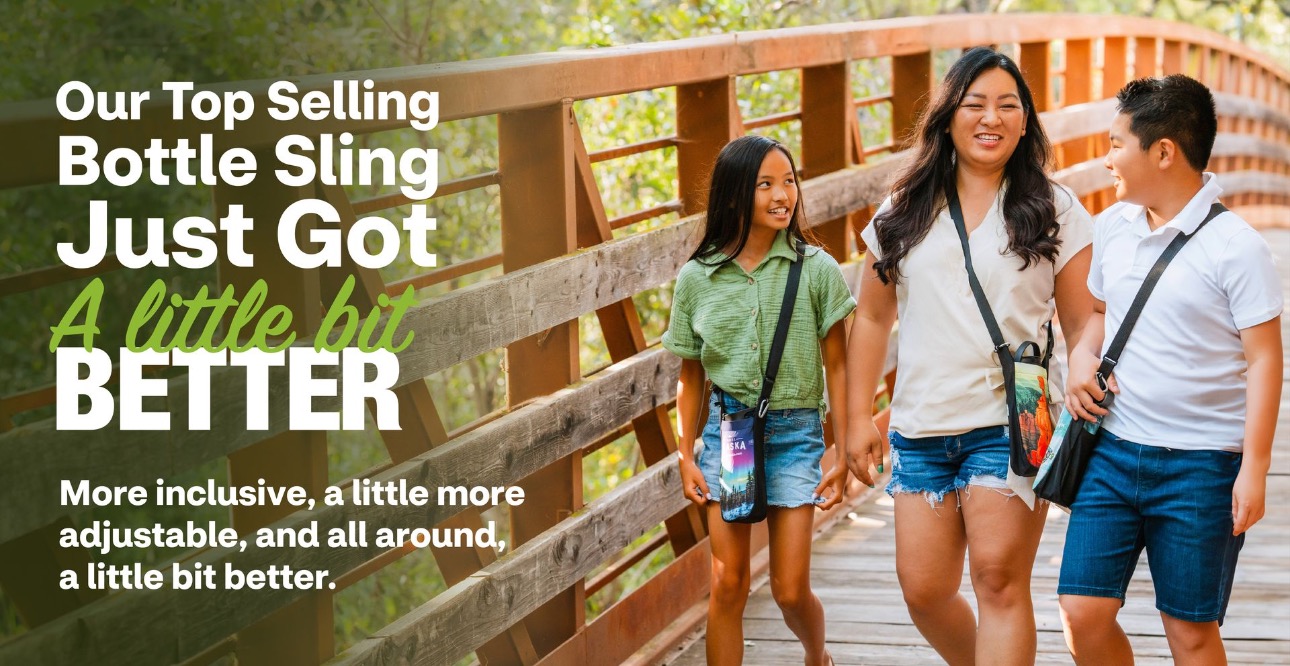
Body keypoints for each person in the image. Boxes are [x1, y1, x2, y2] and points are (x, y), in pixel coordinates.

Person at [845, 46, 1096, 665]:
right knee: (924, 590)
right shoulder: (902, 208)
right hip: (922, 420)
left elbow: (1085, 319)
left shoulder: (1053, 207)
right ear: (948, 115)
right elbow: (873, 316)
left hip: (1019, 418)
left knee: (997, 578)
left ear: (1026, 119)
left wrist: (1086, 374)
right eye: (975, 103)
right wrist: (853, 419)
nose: (992, 118)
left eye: (1008, 106)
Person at [1059, 74, 1284, 666]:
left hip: (1201, 465)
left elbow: (1265, 360)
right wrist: (1080, 359)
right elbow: (1100, 316)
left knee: (1189, 631)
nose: (1104, 158)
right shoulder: (1113, 227)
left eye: (1114, 144)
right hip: (1111, 449)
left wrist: (1253, 470)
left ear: (1162, 151)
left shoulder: (1237, 247)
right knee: (1081, 613)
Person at [664, 134, 856, 666]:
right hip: (730, 438)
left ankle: (817, 657)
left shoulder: (814, 268)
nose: (783, 194)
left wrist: (838, 451)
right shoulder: (697, 279)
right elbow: (690, 373)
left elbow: (838, 364)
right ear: (733, 196)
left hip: (796, 435)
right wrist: (685, 453)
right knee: (728, 585)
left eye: (789, 181)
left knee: (789, 590)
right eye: (765, 183)